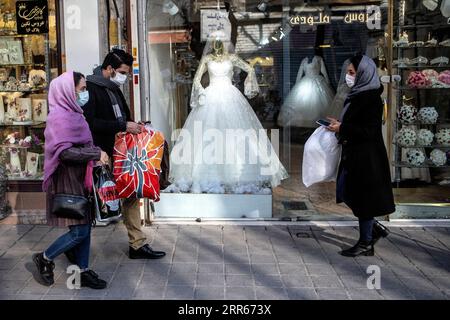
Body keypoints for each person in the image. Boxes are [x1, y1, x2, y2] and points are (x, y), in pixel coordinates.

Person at [83, 49, 166, 259]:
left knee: (131, 195)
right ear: (109, 69)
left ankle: (137, 245)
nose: (124, 76)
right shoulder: (90, 88)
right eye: (121, 71)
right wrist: (122, 125)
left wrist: (134, 125)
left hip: (123, 153)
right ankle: (75, 243)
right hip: (103, 152)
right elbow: (90, 122)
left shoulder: (114, 88)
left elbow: (124, 116)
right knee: (97, 200)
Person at [33, 71, 109, 288]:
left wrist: (97, 152)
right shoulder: (58, 118)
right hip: (66, 179)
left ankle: (82, 271)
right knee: (79, 230)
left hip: (81, 178)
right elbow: (64, 153)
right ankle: (45, 257)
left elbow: (83, 144)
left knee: (85, 225)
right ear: (68, 91)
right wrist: (94, 154)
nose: (85, 94)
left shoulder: (76, 114)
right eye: (82, 89)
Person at [327, 54, 394, 257]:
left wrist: (342, 128)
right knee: (347, 192)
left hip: (366, 158)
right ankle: (374, 228)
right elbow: (356, 123)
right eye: (347, 72)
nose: (348, 76)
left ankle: (366, 243)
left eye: (352, 72)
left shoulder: (371, 98)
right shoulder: (358, 93)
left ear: (363, 73)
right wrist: (340, 123)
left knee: (361, 198)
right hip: (355, 155)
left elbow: (369, 131)